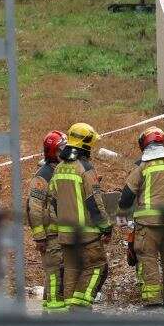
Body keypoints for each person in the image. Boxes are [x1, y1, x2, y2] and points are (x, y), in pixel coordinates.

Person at [118, 126, 164, 308]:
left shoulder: (143, 164)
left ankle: (153, 303)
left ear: (144, 145)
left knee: (148, 262)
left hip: (148, 226)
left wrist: (122, 213)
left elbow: (126, 195)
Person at [49, 122, 111, 310]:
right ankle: (80, 308)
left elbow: (52, 201)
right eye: (91, 144)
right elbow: (94, 201)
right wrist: (105, 226)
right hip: (86, 234)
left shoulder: (59, 168)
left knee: (71, 271)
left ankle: (70, 315)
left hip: (66, 234)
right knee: (97, 267)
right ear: (85, 144)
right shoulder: (85, 167)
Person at [25, 130, 67, 312]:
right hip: (50, 236)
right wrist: (40, 237)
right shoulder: (42, 176)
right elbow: (34, 207)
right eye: (61, 150)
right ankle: (53, 312)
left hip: (63, 233)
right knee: (54, 273)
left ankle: (53, 307)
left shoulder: (63, 170)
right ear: (52, 152)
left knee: (61, 272)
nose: (64, 153)